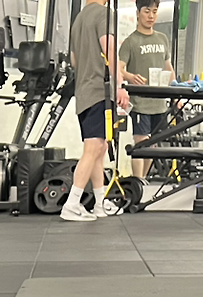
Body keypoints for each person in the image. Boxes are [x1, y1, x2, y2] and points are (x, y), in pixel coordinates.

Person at [63, 0, 129, 222]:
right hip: (98, 92)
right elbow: (109, 50)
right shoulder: (104, 14)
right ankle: (72, 203)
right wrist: (119, 85)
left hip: (83, 92)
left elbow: (74, 60)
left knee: (100, 148)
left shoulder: (78, 19)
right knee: (94, 148)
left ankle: (100, 203)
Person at [118, 0, 174, 179]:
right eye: (147, 11)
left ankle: (142, 180)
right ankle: (137, 181)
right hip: (140, 103)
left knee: (153, 145)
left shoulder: (162, 39)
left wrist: (176, 91)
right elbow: (118, 68)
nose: (151, 16)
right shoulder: (130, 42)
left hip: (160, 103)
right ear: (138, 13)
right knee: (140, 143)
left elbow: (168, 68)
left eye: (154, 12)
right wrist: (130, 76)